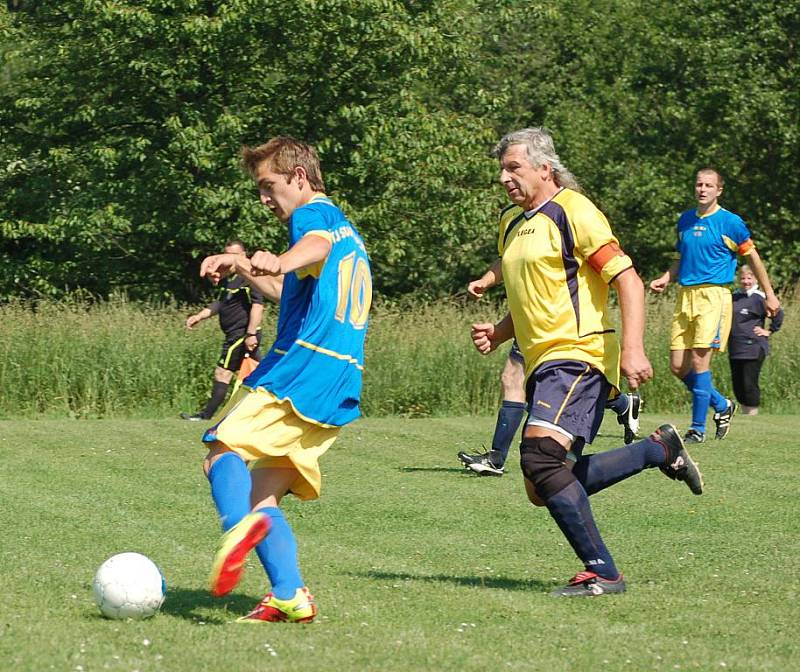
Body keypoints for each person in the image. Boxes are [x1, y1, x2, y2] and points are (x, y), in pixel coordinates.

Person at [471, 127, 704, 598]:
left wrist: (634, 349)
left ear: (544, 167)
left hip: (579, 355)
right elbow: (530, 292)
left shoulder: (574, 211)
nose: (503, 178)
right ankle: (657, 450)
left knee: (540, 458)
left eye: (513, 167)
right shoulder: (512, 222)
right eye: (501, 169)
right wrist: (500, 332)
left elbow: (629, 281)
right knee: (542, 487)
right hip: (544, 365)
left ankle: (604, 573)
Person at [197, 136, 372, 622]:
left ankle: (236, 530)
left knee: (220, 453)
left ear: (298, 177)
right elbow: (287, 285)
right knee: (262, 495)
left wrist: (283, 256)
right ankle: (291, 595)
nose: (265, 198)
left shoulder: (312, 216)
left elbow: (310, 246)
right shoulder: (345, 228)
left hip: (304, 368)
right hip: (340, 382)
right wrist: (245, 267)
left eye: (269, 186)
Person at [457, 240, 642, 477]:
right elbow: (511, 262)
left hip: (566, 335)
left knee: (550, 471)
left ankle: (646, 438)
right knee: (512, 380)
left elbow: (627, 278)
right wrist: (486, 283)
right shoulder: (515, 218)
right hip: (530, 326)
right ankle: (497, 458)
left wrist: (633, 348)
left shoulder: (569, 215)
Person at [650, 169, 781, 443]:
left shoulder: (730, 222)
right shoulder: (685, 220)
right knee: (677, 366)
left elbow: (754, 259)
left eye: (709, 185)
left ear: (719, 190)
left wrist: (769, 294)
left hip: (714, 296)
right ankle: (721, 405)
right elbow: (679, 257)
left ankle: (697, 429)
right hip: (685, 295)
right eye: (699, 184)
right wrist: (666, 277)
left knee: (699, 361)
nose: (702, 189)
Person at [181, 239, 277, 422]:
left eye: (232, 255)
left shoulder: (249, 279)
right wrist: (199, 316)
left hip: (241, 334)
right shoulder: (228, 280)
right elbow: (220, 303)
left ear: (242, 256)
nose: (228, 259)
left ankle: (205, 416)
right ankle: (269, 410)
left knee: (222, 372)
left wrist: (250, 334)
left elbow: (257, 307)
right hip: (234, 334)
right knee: (262, 373)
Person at [728, 264, 784, 415]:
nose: (746, 281)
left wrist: (769, 331)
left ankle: (752, 415)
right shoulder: (733, 297)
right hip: (735, 347)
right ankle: (745, 415)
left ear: (755, 279)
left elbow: (778, 314)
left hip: (753, 347)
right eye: (743, 278)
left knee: (749, 383)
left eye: (749, 278)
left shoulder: (760, 297)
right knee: (737, 385)